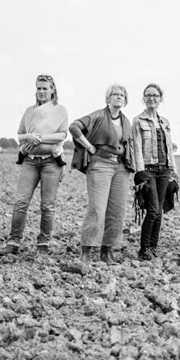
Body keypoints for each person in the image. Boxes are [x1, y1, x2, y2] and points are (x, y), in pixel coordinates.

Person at [70, 84, 134, 263]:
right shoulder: (97, 115)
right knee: (97, 208)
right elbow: (74, 127)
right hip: (100, 164)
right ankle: (86, 250)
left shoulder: (126, 121)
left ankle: (107, 251)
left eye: (122, 94)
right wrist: (88, 146)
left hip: (120, 167)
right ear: (108, 98)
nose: (119, 97)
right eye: (115, 94)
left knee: (117, 211)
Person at [6, 75, 69, 255]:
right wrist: (28, 137)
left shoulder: (60, 110)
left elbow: (61, 135)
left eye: (45, 88)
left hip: (51, 161)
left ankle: (43, 243)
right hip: (30, 160)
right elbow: (20, 135)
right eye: (39, 88)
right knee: (21, 201)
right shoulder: (29, 111)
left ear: (52, 90)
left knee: (47, 205)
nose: (41, 92)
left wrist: (39, 137)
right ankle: (14, 241)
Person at [132, 83, 177, 261]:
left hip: (164, 170)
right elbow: (136, 147)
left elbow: (169, 149)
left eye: (155, 95)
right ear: (144, 98)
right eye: (148, 95)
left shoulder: (165, 121)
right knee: (152, 211)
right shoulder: (138, 120)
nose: (152, 98)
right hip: (148, 170)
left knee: (159, 210)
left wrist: (173, 171)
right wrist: (140, 172)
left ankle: (153, 247)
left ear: (160, 99)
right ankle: (144, 248)